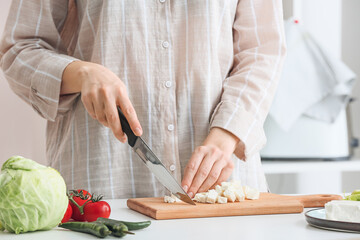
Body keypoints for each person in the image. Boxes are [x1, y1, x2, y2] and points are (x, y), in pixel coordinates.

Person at [0, 0, 286, 199]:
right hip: (103, 189)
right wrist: (82, 72)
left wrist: (227, 133)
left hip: (223, 185)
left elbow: (262, 52)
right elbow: (20, 48)